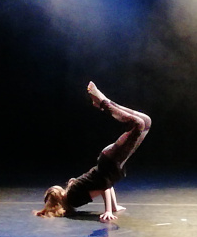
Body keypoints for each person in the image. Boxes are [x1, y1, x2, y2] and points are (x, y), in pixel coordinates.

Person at [35, 81, 151, 222]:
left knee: (138, 124)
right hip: (110, 163)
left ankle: (103, 103)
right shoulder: (72, 193)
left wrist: (108, 211)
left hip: (110, 161)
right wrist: (113, 207)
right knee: (146, 121)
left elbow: (104, 187)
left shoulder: (73, 198)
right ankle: (105, 102)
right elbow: (105, 185)